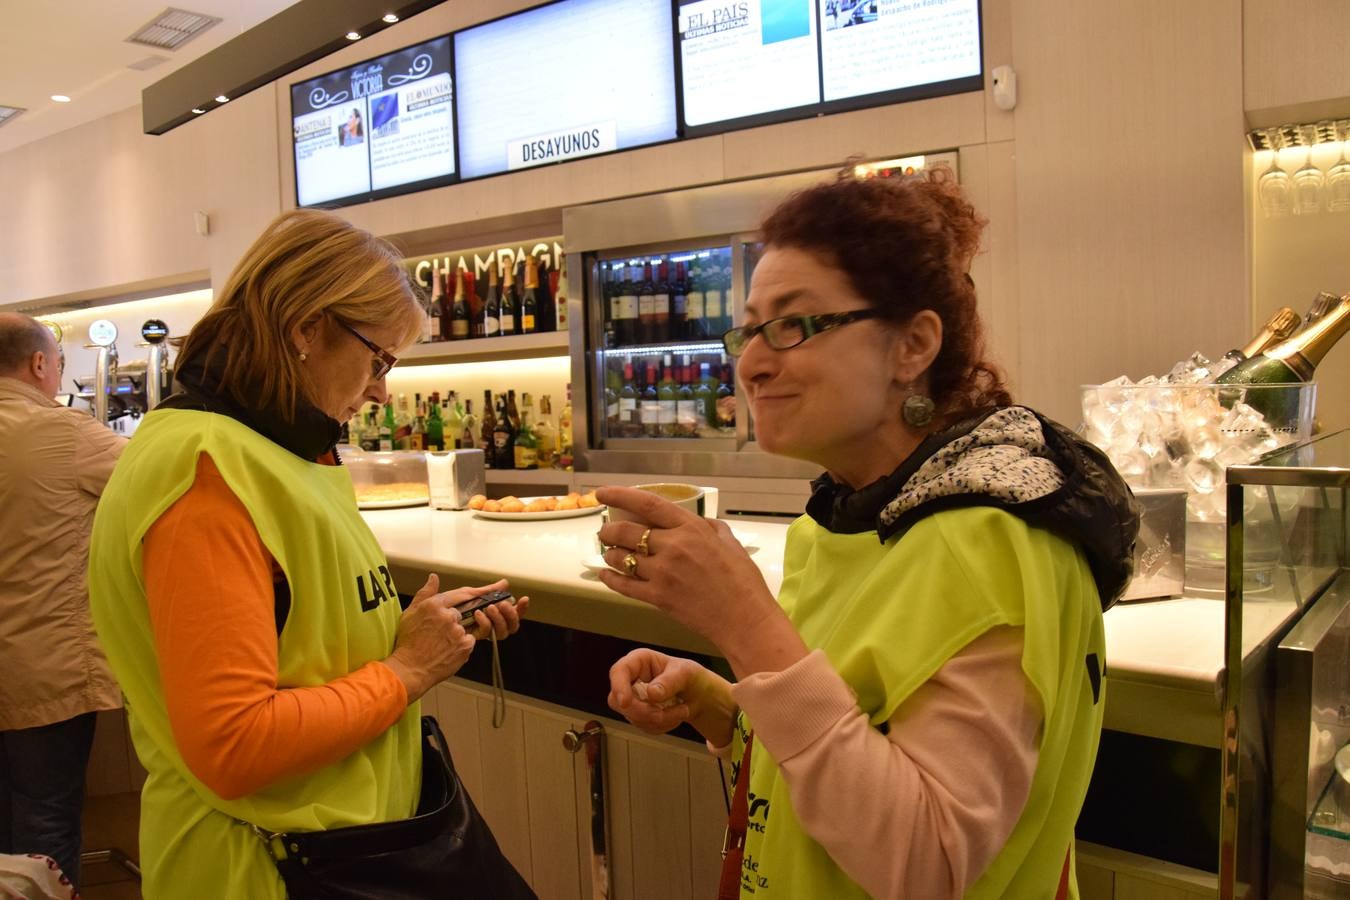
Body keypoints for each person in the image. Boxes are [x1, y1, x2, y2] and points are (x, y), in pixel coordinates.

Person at [596, 168, 1138, 899]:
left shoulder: (991, 542)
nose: (751, 363)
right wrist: (722, 704)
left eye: (793, 324)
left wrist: (745, 623)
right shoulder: (839, 519)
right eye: (750, 329)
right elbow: (855, 735)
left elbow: (928, 861)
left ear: (912, 345)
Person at [87, 209, 529, 898]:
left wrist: (414, 631)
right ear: (305, 329)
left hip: (347, 851)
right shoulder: (207, 471)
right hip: (267, 869)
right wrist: (408, 670)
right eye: (378, 359)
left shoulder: (278, 452)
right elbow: (236, 743)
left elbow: (302, 636)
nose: (382, 390)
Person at [0, 313, 126, 888]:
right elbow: (166, 480)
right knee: (41, 831)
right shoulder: (64, 432)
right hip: (39, 666)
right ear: (40, 364)